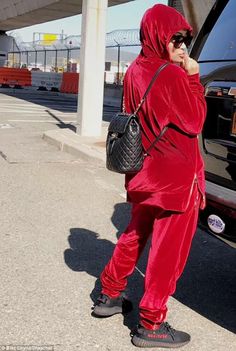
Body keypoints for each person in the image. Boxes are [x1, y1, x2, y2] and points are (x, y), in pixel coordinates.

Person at [92, 4, 206, 349]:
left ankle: (110, 294)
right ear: (159, 36)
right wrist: (194, 78)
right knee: (167, 252)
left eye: (184, 40)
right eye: (175, 39)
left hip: (144, 172)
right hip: (176, 181)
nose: (181, 47)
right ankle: (152, 323)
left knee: (134, 234)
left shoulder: (136, 69)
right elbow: (194, 121)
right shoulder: (172, 75)